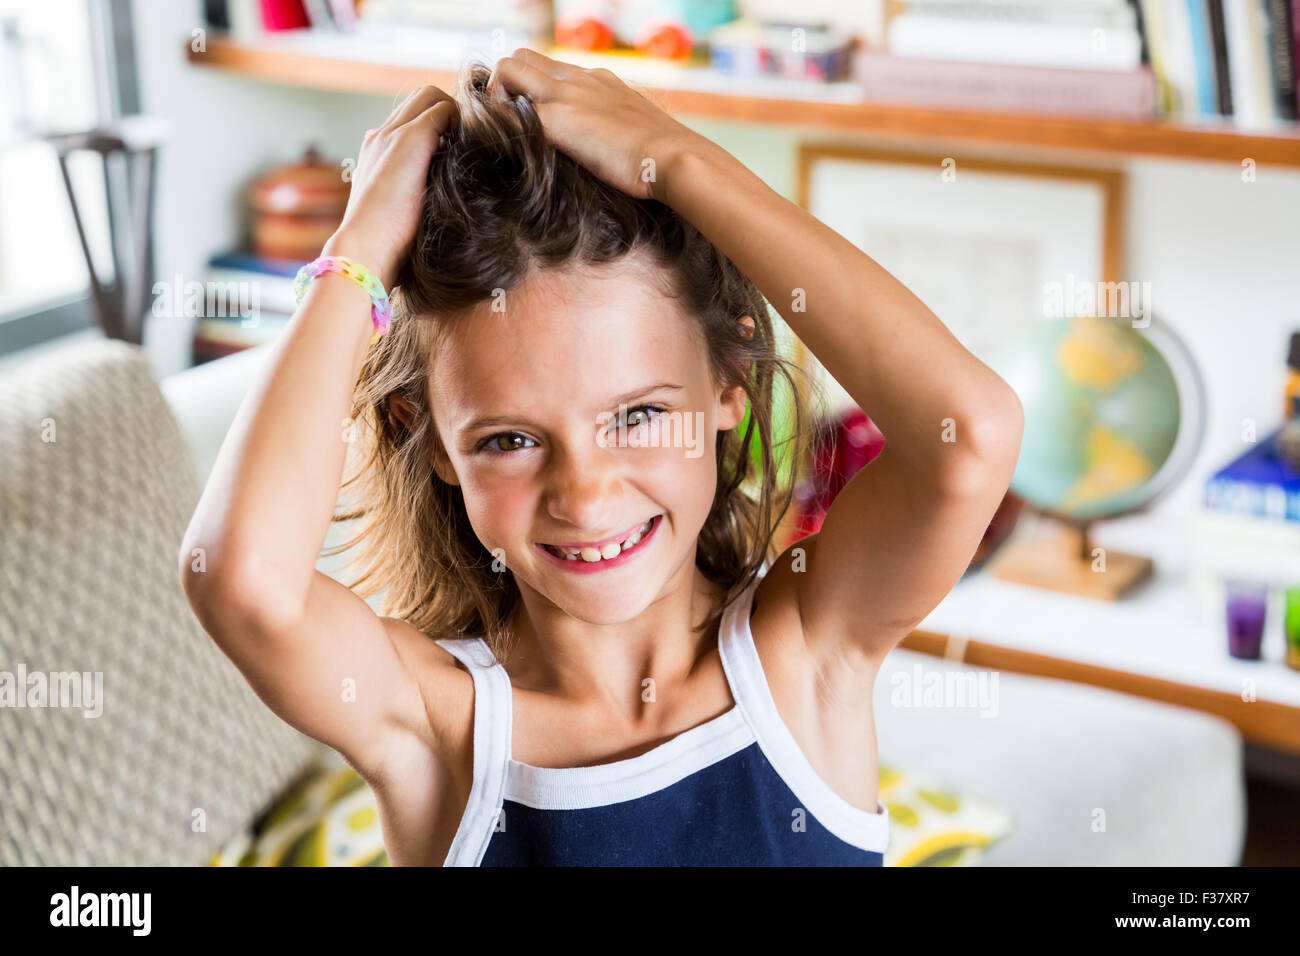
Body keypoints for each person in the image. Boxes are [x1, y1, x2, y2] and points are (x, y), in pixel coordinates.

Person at [180, 49, 1023, 866]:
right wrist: (358, 248)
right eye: (509, 439)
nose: (584, 496)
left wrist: (676, 160)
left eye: (638, 416)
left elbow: (971, 435)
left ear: (732, 382)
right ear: (431, 440)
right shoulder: (437, 727)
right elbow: (239, 576)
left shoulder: (806, 654)